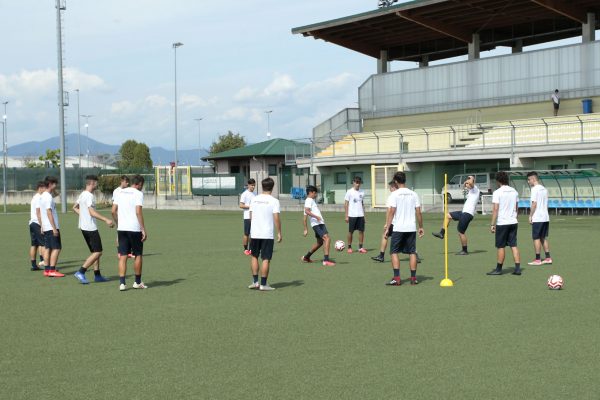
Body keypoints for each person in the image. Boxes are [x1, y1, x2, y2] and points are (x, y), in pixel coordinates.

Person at [73, 175, 114, 284]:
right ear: (92, 183)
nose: (97, 185)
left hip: (84, 227)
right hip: (90, 228)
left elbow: (74, 208)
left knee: (94, 251)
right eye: (96, 183)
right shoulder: (89, 196)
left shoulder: (82, 194)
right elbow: (92, 212)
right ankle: (81, 272)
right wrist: (106, 220)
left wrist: (83, 215)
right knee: (98, 252)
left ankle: (97, 275)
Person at [384, 171, 424, 286]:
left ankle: (397, 278)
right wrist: (421, 227)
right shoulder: (413, 194)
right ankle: (413, 278)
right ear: (405, 180)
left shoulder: (394, 194)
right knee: (412, 252)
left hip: (398, 228)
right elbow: (418, 212)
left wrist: (387, 227)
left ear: (396, 181)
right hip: (411, 228)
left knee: (394, 252)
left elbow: (391, 212)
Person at [111, 174, 148, 291]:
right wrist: (143, 229)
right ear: (139, 184)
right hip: (134, 229)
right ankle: (137, 282)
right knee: (138, 255)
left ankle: (122, 284)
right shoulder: (138, 194)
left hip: (122, 228)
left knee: (123, 256)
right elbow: (138, 212)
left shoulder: (119, 192)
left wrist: (119, 224)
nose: (142, 188)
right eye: (142, 185)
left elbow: (113, 211)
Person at [247, 177, 282, 291]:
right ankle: (263, 284)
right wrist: (279, 233)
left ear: (261, 186)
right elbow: (276, 218)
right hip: (267, 234)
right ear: (272, 187)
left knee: (254, 256)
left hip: (255, 233)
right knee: (266, 259)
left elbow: (251, 216)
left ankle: (255, 282)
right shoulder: (274, 201)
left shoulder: (254, 199)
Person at [432, 175, 480, 255]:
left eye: (469, 181)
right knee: (448, 215)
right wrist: (465, 184)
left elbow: (471, 183)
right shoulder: (471, 191)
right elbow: (464, 187)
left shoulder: (475, 189)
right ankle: (441, 233)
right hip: (463, 213)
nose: (467, 184)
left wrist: (469, 179)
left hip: (468, 214)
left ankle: (464, 250)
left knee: (461, 232)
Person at [487, 171, 521, 276]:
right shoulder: (514, 191)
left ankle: (498, 269)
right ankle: (518, 269)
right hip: (513, 222)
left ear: (498, 181)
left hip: (502, 223)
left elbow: (495, 209)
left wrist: (492, 224)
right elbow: (516, 208)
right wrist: (515, 218)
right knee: (513, 245)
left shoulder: (497, 192)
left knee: (501, 246)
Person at [301, 185, 335, 266]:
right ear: (311, 192)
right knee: (327, 238)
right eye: (315, 193)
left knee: (320, 242)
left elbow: (305, 216)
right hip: (317, 224)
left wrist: (306, 229)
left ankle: (306, 257)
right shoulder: (309, 200)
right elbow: (307, 211)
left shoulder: (310, 201)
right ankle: (326, 260)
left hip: (318, 223)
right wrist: (316, 217)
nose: (316, 195)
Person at [40, 176, 65, 277]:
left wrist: (42, 226)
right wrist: (54, 228)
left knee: (48, 248)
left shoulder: (43, 196)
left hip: (46, 226)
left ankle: (47, 270)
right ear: (50, 184)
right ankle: (52, 270)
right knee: (57, 248)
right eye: (55, 184)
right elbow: (49, 212)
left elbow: (42, 212)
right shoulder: (47, 197)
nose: (56, 186)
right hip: (51, 227)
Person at [526, 171, 552, 265]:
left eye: (529, 180)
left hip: (538, 217)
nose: (528, 182)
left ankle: (537, 259)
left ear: (533, 179)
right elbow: (547, 204)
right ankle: (548, 258)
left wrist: (530, 216)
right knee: (543, 237)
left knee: (536, 238)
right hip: (545, 217)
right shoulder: (544, 189)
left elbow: (534, 203)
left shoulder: (534, 189)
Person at [344, 176, 367, 254]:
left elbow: (362, 203)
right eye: (356, 182)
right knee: (351, 231)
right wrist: (346, 215)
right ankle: (349, 247)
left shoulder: (362, 192)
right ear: (353, 182)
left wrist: (364, 216)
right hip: (352, 215)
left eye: (359, 183)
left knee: (361, 231)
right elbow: (346, 204)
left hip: (360, 215)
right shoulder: (349, 192)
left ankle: (360, 247)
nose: (358, 184)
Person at [28, 181, 46, 271]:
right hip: (37, 223)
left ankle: (34, 265)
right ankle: (46, 264)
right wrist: (42, 225)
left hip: (32, 223)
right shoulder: (39, 198)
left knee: (34, 244)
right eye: (44, 188)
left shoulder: (35, 197)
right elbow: (38, 213)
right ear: (40, 188)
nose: (45, 190)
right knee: (43, 244)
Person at [112, 175, 131, 258]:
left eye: (128, 182)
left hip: (126, 215)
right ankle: (120, 252)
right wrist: (116, 217)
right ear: (122, 181)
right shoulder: (117, 191)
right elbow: (114, 205)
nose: (127, 183)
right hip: (120, 215)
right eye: (126, 182)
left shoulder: (128, 190)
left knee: (129, 233)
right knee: (119, 234)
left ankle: (128, 252)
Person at [239, 178, 256, 256]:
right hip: (247, 217)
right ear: (248, 185)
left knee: (253, 234)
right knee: (246, 234)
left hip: (254, 217)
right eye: (252, 185)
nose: (253, 187)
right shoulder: (244, 194)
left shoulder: (254, 194)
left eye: (254, 185)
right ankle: (245, 249)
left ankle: (251, 249)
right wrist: (250, 207)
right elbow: (241, 205)